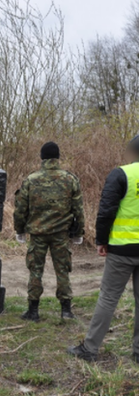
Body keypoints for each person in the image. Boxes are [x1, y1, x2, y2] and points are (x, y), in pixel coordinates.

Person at [68, 136, 139, 363]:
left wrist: (101, 240)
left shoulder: (121, 174)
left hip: (121, 249)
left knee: (108, 298)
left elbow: (106, 211)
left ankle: (90, 349)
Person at [14, 142, 85, 321]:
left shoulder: (31, 179)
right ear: (57, 157)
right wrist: (79, 233)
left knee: (35, 271)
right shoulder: (70, 179)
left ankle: (33, 311)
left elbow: (21, 209)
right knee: (62, 270)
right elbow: (78, 209)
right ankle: (66, 311)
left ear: (42, 157)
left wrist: (19, 230)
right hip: (61, 233)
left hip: (37, 234)